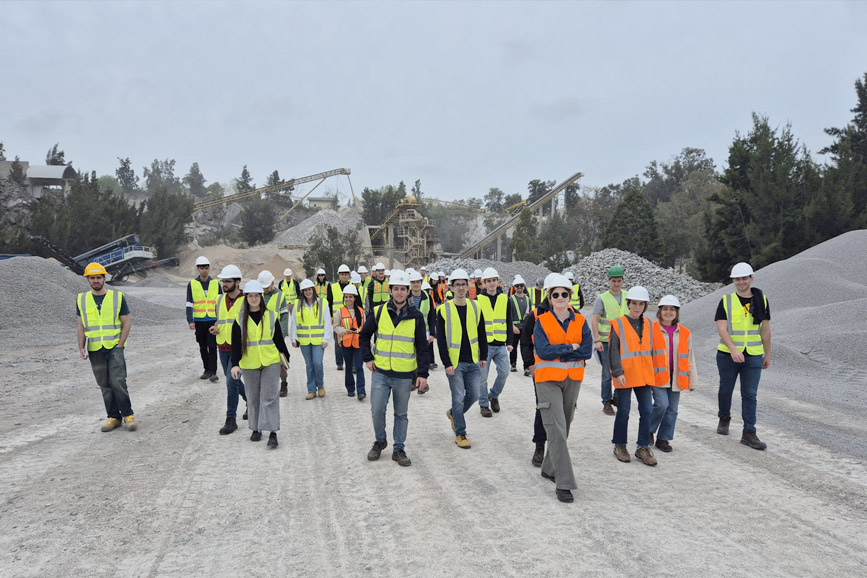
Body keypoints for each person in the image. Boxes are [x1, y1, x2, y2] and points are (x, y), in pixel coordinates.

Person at [359, 270, 429, 467]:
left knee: (401, 414)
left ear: (408, 292)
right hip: (380, 373)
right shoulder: (380, 312)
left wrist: (422, 374)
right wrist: (367, 358)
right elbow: (364, 336)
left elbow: (423, 348)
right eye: (396, 289)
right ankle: (380, 441)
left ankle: (399, 449)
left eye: (403, 289)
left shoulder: (416, 317)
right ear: (390, 291)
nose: (399, 293)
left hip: (404, 376)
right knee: (377, 410)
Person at [533, 273, 593, 503]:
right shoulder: (542, 321)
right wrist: (570, 347)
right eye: (555, 294)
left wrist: (560, 349)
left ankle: (549, 467)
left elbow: (586, 351)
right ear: (549, 297)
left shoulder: (580, 321)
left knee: (564, 426)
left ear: (570, 296)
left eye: (564, 294)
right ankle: (564, 482)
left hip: (572, 379)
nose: (560, 297)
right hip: (547, 380)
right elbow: (543, 351)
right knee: (556, 427)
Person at [609, 286, 668, 466]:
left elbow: (658, 352)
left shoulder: (651, 325)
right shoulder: (618, 324)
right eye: (634, 303)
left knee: (647, 411)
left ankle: (643, 447)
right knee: (624, 411)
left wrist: (659, 376)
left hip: (644, 376)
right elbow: (613, 352)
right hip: (625, 375)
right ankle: (619, 445)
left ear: (645, 305)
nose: (637, 307)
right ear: (629, 304)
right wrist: (618, 372)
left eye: (641, 304)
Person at [715, 262, 771, 450]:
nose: (741, 282)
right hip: (727, 354)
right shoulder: (726, 301)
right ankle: (724, 417)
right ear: (733, 281)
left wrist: (767, 353)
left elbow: (765, 330)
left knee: (750, 394)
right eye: (737, 279)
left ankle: (749, 432)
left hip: (754, 355)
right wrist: (733, 349)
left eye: (744, 278)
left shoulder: (761, 300)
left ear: (751, 279)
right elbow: (722, 329)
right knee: (726, 389)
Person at [230, 280, 291, 448]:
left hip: (270, 361)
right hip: (249, 364)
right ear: (246, 298)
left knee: (270, 396)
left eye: (257, 296)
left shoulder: (271, 315)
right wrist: (235, 364)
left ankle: (272, 432)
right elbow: (236, 344)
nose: (254, 299)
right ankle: (256, 429)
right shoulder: (239, 319)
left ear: (261, 297)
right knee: (253, 397)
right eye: (250, 296)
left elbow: (278, 339)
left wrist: (286, 358)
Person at [77, 262, 136, 432]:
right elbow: (80, 326)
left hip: (114, 347)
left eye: (98, 277)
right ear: (88, 280)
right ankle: (113, 417)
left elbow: (126, 322)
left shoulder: (117, 297)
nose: (95, 281)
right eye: (92, 278)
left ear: (104, 278)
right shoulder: (82, 299)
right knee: (104, 384)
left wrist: (120, 344)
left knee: (118, 382)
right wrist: (81, 347)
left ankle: (128, 415)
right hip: (95, 348)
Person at [437, 269, 488, 449]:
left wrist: (483, 356)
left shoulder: (476, 307)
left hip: (473, 360)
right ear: (451, 287)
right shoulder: (443, 310)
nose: (460, 288)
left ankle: (453, 414)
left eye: (463, 284)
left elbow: (482, 333)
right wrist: (447, 363)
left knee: (474, 395)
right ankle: (460, 433)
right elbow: (441, 340)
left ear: (468, 286)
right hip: (455, 363)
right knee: (458, 398)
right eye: (457, 284)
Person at [649, 295, 698, 452]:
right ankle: (649, 430)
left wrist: (692, 380)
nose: (668, 312)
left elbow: (690, 357)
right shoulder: (652, 330)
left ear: (677, 312)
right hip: (657, 376)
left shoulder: (685, 332)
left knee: (672, 409)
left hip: (676, 377)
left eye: (672, 309)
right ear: (660, 311)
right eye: (665, 309)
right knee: (662, 404)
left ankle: (663, 438)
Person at [210, 264, 247, 434]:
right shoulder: (219, 300)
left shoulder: (246, 300)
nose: (224, 284)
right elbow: (221, 320)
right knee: (233, 382)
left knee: (230, 382)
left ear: (237, 282)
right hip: (222, 346)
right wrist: (215, 327)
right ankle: (252, 402)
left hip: (237, 349)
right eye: (223, 281)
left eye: (228, 281)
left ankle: (231, 419)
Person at [520, 284, 551, 467]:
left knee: (562, 411)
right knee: (543, 407)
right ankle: (540, 446)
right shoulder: (536, 315)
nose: (559, 296)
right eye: (555, 292)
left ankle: (556, 447)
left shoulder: (573, 314)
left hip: (565, 373)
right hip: (541, 371)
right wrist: (529, 364)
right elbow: (525, 341)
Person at [592, 265, 628, 416]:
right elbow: (594, 320)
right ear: (609, 281)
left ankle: (617, 398)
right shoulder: (602, 299)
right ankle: (606, 401)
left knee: (621, 371)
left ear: (623, 280)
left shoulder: (628, 296)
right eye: (614, 281)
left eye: (619, 281)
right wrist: (596, 340)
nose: (617, 284)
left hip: (623, 342)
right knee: (607, 373)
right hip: (605, 342)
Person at [476, 267, 513, 417]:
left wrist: (510, 341)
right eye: (489, 281)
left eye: (494, 280)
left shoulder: (505, 299)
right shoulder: (478, 300)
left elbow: (508, 321)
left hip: (500, 344)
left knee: (504, 372)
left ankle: (494, 395)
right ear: (484, 283)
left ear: (498, 281)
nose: (492, 284)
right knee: (482, 378)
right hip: (484, 346)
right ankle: (484, 404)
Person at [290, 279, 331, 399]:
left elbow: (327, 322)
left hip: (318, 340)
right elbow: (293, 322)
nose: (308, 292)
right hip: (304, 341)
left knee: (317, 363)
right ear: (302, 292)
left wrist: (326, 339)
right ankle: (311, 390)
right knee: (309, 365)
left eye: (309, 289)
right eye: (305, 290)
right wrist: (293, 338)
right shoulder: (297, 304)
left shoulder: (323, 303)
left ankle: (320, 385)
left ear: (313, 290)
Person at [187, 255, 221, 381]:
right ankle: (206, 370)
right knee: (202, 347)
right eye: (202, 268)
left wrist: (220, 319)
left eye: (206, 268)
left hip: (212, 320)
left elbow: (221, 302)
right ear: (198, 269)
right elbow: (189, 303)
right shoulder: (192, 284)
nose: (204, 270)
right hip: (199, 320)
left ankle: (213, 372)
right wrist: (190, 320)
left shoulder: (215, 284)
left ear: (209, 268)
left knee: (212, 346)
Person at [259, 270, 290, 397]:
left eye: (266, 287)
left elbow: (284, 317)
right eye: (263, 287)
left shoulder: (280, 296)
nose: (265, 290)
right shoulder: (258, 294)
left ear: (272, 283)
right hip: (261, 335)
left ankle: (283, 383)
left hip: (276, 335)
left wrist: (281, 336)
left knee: (280, 361)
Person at [334, 284, 366, 399]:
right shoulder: (340, 312)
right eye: (346, 297)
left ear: (355, 298)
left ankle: (361, 391)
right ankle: (350, 389)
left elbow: (364, 328)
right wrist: (344, 331)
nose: (348, 299)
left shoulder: (361, 312)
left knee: (359, 367)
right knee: (348, 366)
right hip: (345, 342)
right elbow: (336, 327)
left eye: (350, 297)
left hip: (358, 343)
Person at [409, 271, 438, 384]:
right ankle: (413, 380)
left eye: (418, 282)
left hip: (424, 332)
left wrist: (432, 333)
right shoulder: (406, 297)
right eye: (413, 282)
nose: (416, 284)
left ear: (421, 283)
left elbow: (431, 316)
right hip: (409, 332)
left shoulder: (427, 297)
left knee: (423, 358)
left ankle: (422, 382)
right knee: (411, 357)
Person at [329, 264, 353, 371]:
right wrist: (330, 316)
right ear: (339, 275)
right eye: (342, 274)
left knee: (351, 340)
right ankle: (339, 363)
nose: (344, 276)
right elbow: (329, 302)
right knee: (338, 341)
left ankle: (351, 363)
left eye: (346, 274)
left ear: (348, 275)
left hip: (350, 317)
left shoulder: (352, 286)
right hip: (337, 318)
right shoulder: (333, 287)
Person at [509, 275, 532, 374]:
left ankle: (526, 367)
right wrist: (512, 326)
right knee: (513, 347)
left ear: (524, 287)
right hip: (515, 327)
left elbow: (531, 313)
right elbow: (508, 315)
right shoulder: (510, 299)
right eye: (517, 286)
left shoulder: (528, 299)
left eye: (521, 286)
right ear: (514, 287)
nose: (519, 288)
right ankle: (513, 364)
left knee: (526, 348)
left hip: (525, 327)